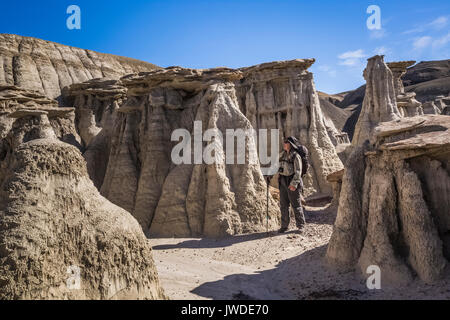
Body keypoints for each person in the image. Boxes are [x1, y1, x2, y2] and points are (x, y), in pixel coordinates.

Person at [276, 136, 306, 233]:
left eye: (286, 142)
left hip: (292, 180)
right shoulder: (282, 155)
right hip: (283, 181)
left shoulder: (295, 155)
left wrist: (294, 183)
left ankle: (301, 225)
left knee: (296, 204)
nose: (284, 144)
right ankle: (284, 226)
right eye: (284, 142)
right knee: (283, 205)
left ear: (291, 144)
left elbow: (298, 171)